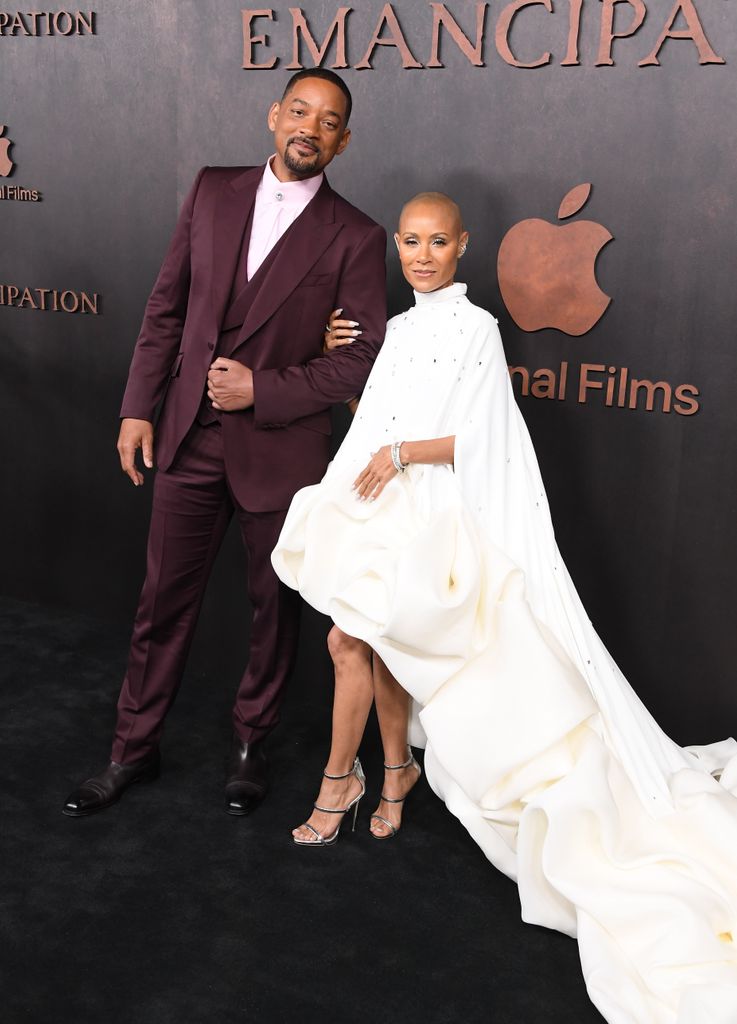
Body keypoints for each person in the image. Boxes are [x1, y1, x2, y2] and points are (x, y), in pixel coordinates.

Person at [272, 192, 737, 1023]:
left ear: (462, 246)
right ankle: (389, 777)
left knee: (359, 640)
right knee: (368, 645)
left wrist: (400, 452)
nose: (419, 254)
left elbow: (489, 437)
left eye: (435, 241)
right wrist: (340, 372)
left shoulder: (476, 328)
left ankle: (344, 786)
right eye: (409, 241)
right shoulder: (404, 330)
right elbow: (375, 414)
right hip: (387, 511)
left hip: (444, 516)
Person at [63, 69, 387, 818]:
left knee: (273, 606)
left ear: (343, 139)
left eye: (328, 119)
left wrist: (262, 390)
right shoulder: (211, 189)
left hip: (284, 451)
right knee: (160, 604)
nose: (310, 126)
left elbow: (361, 354)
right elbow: (166, 305)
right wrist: (137, 408)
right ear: (275, 117)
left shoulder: (358, 235)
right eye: (299, 110)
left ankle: (251, 743)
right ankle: (130, 750)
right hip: (186, 437)